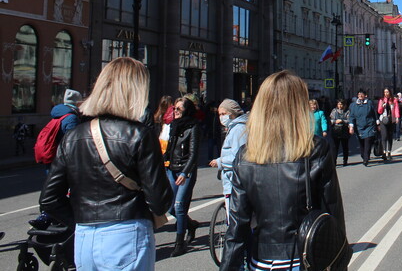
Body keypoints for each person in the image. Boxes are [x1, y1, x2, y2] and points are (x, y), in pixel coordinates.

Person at [39, 57, 172, 271]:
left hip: (84, 236)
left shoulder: (73, 136)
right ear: (136, 91)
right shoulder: (139, 135)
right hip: (126, 231)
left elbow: (49, 198)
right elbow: (159, 201)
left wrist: (80, 218)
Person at [220, 71, 347, 271]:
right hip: (303, 258)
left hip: (260, 260)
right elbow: (332, 212)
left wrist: (228, 266)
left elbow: (236, 225)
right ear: (298, 107)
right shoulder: (314, 149)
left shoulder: (246, 155)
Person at [30, 88, 84, 229]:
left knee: (52, 189)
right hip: (63, 160)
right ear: (77, 103)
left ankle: (47, 217)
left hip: (52, 158)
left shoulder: (58, 114)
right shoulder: (71, 117)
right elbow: (72, 141)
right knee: (65, 190)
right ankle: (47, 218)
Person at [164, 97, 202, 256]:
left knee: (179, 206)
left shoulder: (193, 126)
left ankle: (179, 244)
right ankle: (191, 224)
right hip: (171, 169)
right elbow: (169, 147)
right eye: (175, 108)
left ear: (187, 110)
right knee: (170, 207)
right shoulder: (173, 125)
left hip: (185, 171)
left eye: (179, 109)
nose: (176, 111)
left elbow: (193, 154)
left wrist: (186, 172)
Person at [209, 99, 248, 215]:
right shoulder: (234, 128)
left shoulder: (238, 129)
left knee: (235, 218)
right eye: (219, 114)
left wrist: (220, 162)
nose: (221, 117)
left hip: (235, 181)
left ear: (232, 113)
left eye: (223, 114)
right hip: (231, 179)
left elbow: (239, 158)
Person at [349, 89, 377, 166]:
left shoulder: (369, 103)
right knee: (361, 143)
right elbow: (351, 116)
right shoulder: (353, 105)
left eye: (362, 94)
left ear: (365, 95)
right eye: (359, 94)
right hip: (359, 127)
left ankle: (366, 158)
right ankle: (363, 155)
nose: (360, 96)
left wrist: (377, 123)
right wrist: (351, 126)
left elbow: (374, 113)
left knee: (368, 141)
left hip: (369, 125)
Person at [377, 88, 400, 162]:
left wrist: (397, 117)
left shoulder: (394, 100)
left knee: (390, 136)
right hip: (383, 120)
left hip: (391, 120)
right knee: (384, 136)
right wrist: (382, 106)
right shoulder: (381, 100)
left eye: (387, 92)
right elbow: (379, 111)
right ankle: (384, 152)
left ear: (390, 92)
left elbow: (396, 109)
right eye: (385, 92)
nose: (386, 93)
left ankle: (389, 152)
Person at [330, 99, 351, 166]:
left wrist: (342, 121)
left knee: (345, 147)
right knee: (335, 147)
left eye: (341, 104)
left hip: (344, 130)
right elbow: (330, 119)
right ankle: (334, 161)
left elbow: (349, 120)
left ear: (344, 105)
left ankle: (345, 160)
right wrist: (334, 121)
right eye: (339, 104)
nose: (340, 106)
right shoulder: (334, 111)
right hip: (336, 131)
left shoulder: (347, 111)